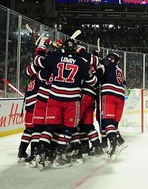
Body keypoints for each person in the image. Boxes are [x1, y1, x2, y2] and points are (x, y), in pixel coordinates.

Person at [33, 38, 101, 170]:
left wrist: (41, 48)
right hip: (71, 100)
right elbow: (92, 81)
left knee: (50, 127)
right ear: (75, 49)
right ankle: (59, 157)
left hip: (54, 98)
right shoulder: (82, 62)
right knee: (68, 129)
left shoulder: (54, 56)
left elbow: (38, 62)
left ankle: (41, 151)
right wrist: (99, 72)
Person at [100, 53, 127, 157]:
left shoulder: (106, 65)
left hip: (110, 94)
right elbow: (124, 82)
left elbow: (101, 64)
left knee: (107, 121)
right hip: (121, 96)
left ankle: (113, 144)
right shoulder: (119, 70)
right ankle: (121, 141)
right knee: (114, 124)